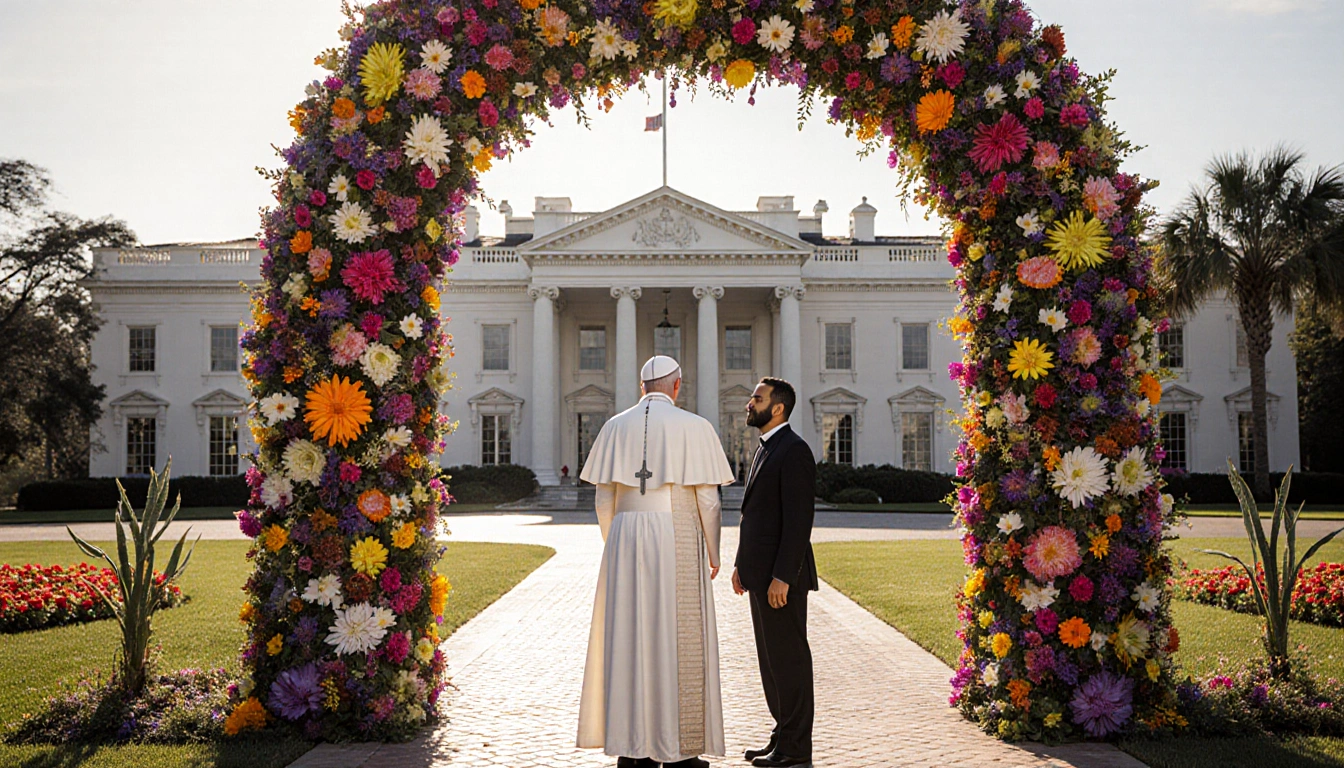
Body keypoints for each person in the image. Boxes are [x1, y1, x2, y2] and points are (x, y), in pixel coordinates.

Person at [577, 355, 736, 768]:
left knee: (628, 640)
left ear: (640, 386)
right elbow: (708, 500)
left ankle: (632, 748)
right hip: (675, 535)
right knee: (675, 639)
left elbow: (602, 498)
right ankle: (678, 751)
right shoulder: (696, 427)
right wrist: (715, 553)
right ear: (677, 386)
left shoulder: (613, 426)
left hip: (625, 536)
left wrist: (615, 545)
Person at [732, 377, 817, 768]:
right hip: (760, 575)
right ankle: (782, 736)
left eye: (757, 398)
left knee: (790, 660)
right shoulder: (767, 448)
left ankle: (796, 750)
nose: (750, 403)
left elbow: (799, 521)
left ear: (777, 408)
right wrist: (740, 564)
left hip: (781, 579)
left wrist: (784, 575)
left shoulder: (794, 450)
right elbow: (756, 514)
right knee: (771, 662)